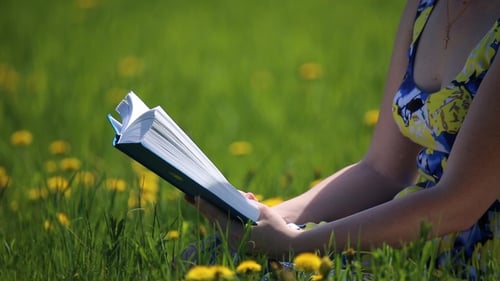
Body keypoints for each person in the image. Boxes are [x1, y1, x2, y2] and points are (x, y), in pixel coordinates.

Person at [189, 0, 500, 270]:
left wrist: (294, 243)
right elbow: (382, 171)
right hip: (414, 249)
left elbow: (460, 202)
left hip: (474, 262)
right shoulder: (425, 7)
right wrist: (256, 221)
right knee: (215, 260)